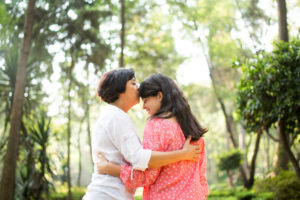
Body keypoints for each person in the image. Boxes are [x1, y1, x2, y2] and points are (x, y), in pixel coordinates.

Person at [82, 69, 201, 200]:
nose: (138, 87)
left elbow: (143, 167)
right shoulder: (116, 116)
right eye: (133, 83)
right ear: (118, 90)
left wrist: (110, 168)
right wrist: (182, 154)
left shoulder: (114, 116)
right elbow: (139, 159)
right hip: (108, 194)